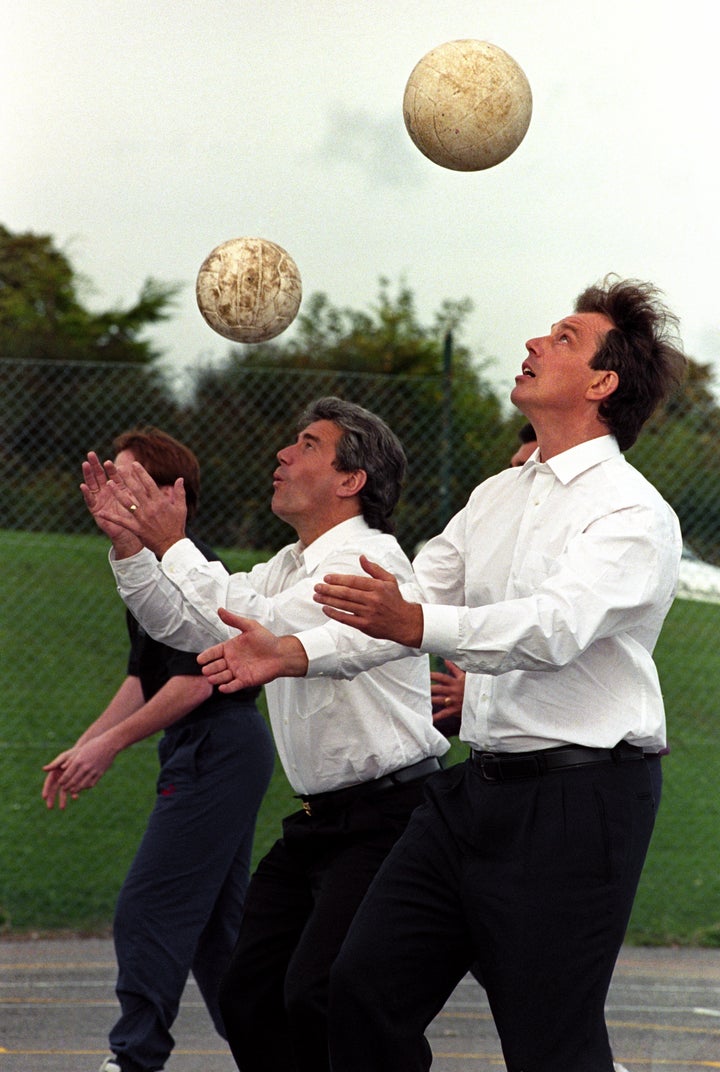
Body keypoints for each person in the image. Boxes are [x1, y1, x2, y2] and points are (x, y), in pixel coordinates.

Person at [198, 278, 686, 1072]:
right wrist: (294, 653)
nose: (534, 344)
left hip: (579, 802)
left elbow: (552, 628)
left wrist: (415, 623)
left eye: (564, 338)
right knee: (354, 992)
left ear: (603, 385)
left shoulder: (633, 515)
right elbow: (412, 596)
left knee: (549, 1042)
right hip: (472, 798)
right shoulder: (495, 496)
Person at [88, 397, 449, 1072]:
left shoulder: (371, 565)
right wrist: (132, 549)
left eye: (307, 444)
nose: (283, 455)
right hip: (322, 821)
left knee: (328, 993)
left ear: (351, 481)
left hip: (390, 818)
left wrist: (172, 544)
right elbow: (193, 628)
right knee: (249, 994)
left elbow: (250, 621)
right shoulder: (289, 563)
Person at [42, 427, 275, 1072]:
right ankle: (272, 1053)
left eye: (127, 478)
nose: (111, 489)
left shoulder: (197, 573)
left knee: (149, 905)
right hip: (203, 749)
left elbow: (198, 678)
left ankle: (135, 1057)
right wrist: (87, 743)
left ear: (169, 493)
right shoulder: (143, 572)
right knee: (216, 933)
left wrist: (111, 746)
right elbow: (143, 677)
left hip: (221, 746)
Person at [431, 422, 538, 737]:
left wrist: (477, 694)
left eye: (528, 467)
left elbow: (554, 640)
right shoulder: (488, 529)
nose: (515, 476)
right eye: (514, 466)